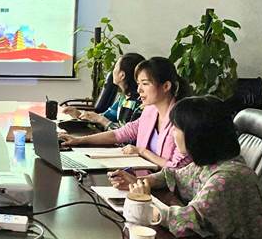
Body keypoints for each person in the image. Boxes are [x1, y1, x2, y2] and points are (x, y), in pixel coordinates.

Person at [111, 96, 262, 239]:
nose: (172, 133)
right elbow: (173, 175)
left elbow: (188, 221)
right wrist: (143, 181)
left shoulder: (228, 177)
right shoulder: (208, 162)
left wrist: (146, 204)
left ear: (197, 134)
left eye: (176, 128)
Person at [60, 56, 191, 170]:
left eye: (145, 84)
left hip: (168, 186)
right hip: (145, 177)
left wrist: (142, 151)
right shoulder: (150, 111)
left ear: (166, 86)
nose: (139, 90)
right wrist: (79, 140)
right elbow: (120, 133)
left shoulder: (183, 119)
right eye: (138, 84)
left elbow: (177, 168)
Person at [63, 52, 145, 130]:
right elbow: (105, 117)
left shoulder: (141, 102)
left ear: (122, 75)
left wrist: (101, 120)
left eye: (115, 67)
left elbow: (127, 134)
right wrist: (78, 114)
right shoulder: (124, 97)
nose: (112, 71)